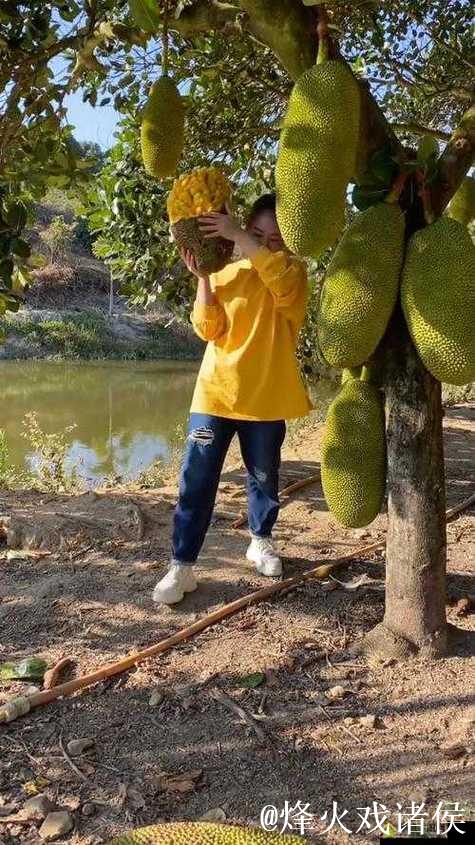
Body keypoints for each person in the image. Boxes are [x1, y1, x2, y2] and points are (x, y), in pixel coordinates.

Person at [153, 193, 312, 605]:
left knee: (264, 477)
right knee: (196, 479)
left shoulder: (292, 273)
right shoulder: (225, 274)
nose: (262, 242)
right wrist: (204, 276)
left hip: (265, 398)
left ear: (288, 243)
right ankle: (181, 565)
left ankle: (260, 541)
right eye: (256, 232)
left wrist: (241, 234)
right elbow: (207, 328)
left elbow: (279, 280)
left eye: (273, 238)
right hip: (215, 395)